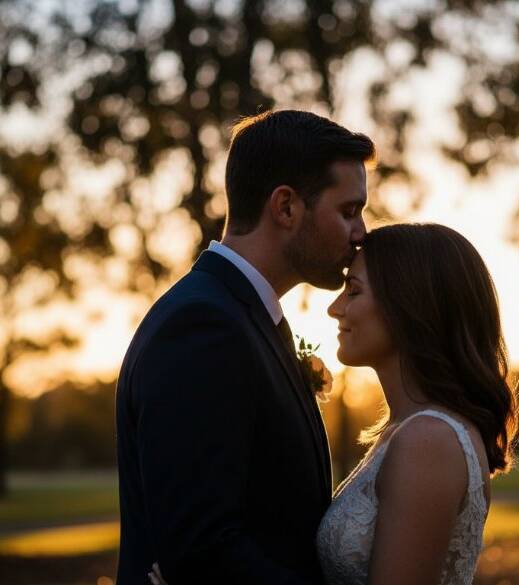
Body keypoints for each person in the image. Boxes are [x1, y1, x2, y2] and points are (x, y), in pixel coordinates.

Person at [115, 109, 376, 585]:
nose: (361, 233)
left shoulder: (242, 317)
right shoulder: (203, 327)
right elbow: (202, 551)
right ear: (286, 207)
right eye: (348, 211)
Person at [317, 223, 519, 585]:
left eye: (353, 291)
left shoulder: (428, 440)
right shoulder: (408, 431)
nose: (335, 308)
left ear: (407, 305)